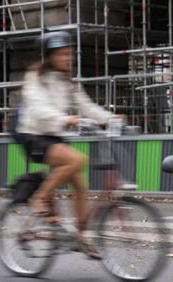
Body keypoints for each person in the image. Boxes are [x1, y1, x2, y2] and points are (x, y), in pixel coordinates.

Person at [17, 31, 118, 259]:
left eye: (70, 54)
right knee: (77, 160)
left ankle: (79, 237)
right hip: (33, 134)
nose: (68, 58)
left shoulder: (68, 81)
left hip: (54, 135)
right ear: (49, 56)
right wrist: (66, 119)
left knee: (81, 185)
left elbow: (86, 105)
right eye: (63, 54)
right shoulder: (36, 77)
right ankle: (39, 198)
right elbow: (38, 108)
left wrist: (109, 118)